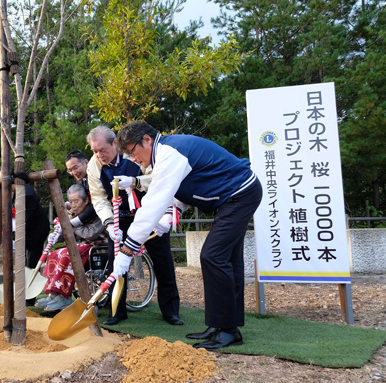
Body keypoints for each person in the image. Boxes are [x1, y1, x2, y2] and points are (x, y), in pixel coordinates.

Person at [115, 121, 261, 350]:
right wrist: (169, 217)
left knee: (213, 256)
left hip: (240, 195)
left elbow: (153, 202)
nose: (133, 159)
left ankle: (229, 331)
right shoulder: (167, 152)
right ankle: (219, 325)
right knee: (227, 260)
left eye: (132, 151)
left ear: (147, 139)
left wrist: (128, 248)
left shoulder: (170, 152)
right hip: (231, 198)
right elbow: (182, 189)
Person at [86, 125, 182, 326]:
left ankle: (171, 310)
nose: (99, 155)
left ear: (114, 143)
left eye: (102, 149)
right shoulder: (94, 165)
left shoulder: (133, 152)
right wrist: (109, 223)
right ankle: (116, 311)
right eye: (94, 151)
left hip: (149, 212)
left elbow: (158, 176)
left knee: (162, 259)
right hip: (119, 218)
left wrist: (135, 181)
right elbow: (98, 198)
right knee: (116, 262)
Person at [37, 184, 105, 311]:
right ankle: (55, 294)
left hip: (96, 248)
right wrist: (56, 235)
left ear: (86, 201)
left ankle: (64, 296)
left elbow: (90, 233)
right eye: (71, 201)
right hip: (79, 248)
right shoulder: (72, 214)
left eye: (76, 201)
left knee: (65, 254)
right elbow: (67, 234)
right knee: (53, 253)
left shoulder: (97, 211)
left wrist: (70, 224)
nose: (73, 205)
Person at [12, 181, 50, 306]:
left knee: (32, 264)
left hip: (35, 231)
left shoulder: (27, 194)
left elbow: (25, 220)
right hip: (24, 231)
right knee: (22, 263)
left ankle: (29, 298)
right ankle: (20, 294)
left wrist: (13, 234)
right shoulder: (12, 192)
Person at [64, 150, 97, 227]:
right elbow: (82, 196)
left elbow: (97, 202)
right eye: (70, 170)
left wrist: (76, 220)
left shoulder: (97, 176)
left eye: (75, 167)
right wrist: (69, 204)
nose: (74, 173)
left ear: (86, 162)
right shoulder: (80, 179)